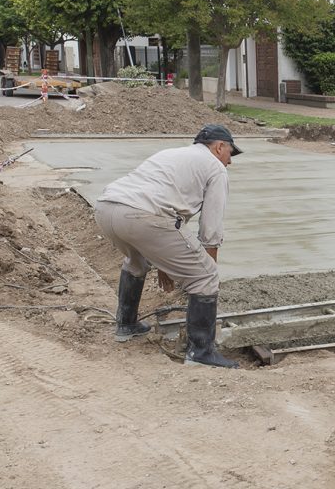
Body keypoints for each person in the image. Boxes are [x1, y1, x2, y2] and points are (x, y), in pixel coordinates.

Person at [94, 124, 242, 368]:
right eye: (230, 153)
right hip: (143, 216)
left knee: (136, 262)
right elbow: (210, 231)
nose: (230, 161)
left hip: (107, 208)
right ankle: (201, 354)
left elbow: (168, 224)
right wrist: (206, 275)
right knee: (206, 276)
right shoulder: (215, 168)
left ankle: (126, 324)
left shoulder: (172, 154)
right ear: (219, 147)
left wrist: (167, 264)